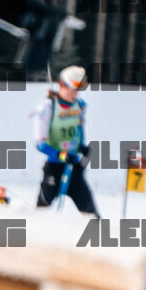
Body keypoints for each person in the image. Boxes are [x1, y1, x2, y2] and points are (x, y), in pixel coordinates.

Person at [34, 65, 97, 216]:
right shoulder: (48, 108)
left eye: (78, 90)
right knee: (41, 212)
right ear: (63, 85)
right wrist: (61, 155)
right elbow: (40, 144)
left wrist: (82, 149)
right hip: (54, 168)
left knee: (91, 214)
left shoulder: (79, 106)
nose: (76, 93)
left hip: (74, 168)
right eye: (73, 89)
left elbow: (76, 135)